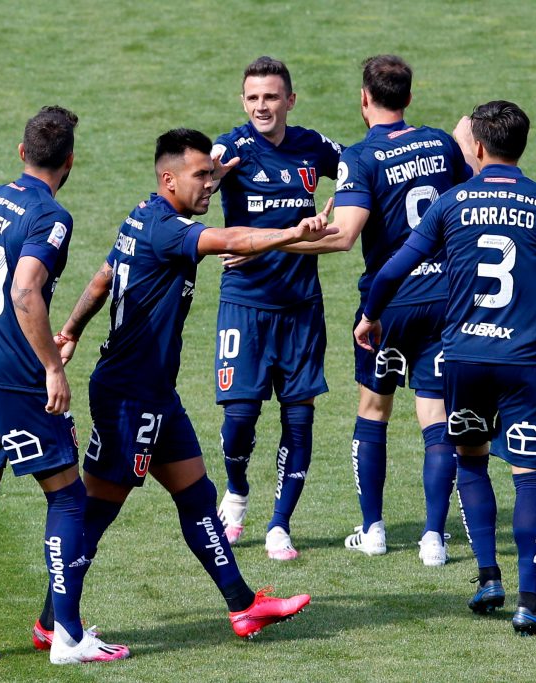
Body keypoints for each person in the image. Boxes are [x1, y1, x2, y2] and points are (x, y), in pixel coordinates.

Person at [32, 128, 335, 645]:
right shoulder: (170, 230)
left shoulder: (141, 213)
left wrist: (72, 329)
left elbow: (104, 277)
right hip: (130, 395)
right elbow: (234, 240)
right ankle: (55, 626)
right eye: (201, 176)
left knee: (197, 496)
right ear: (169, 179)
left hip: (156, 395)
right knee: (97, 513)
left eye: (211, 174)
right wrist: (293, 234)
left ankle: (243, 608)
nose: (210, 185)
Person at [355, 100, 536, 634]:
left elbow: (396, 265)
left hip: (463, 360)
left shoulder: (452, 203)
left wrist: (371, 315)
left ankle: (488, 576)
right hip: (525, 365)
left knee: (471, 460)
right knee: (530, 480)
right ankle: (530, 603)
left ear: (479, 148)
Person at [0, 106, 130, 667]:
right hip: (17, 381)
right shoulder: (51, 216)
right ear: (70, 161)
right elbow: (24, 292)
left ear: (22, 153)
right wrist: (53, 367)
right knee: (65, 494)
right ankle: (66, 636)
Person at [277, 55, 474, 565]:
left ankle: (375, 530)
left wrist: (274, 243)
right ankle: (434, 538)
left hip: (390, 306)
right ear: (408, 97)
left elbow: (343, 237)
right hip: (444, 300)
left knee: (373, 411)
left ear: (364, 99)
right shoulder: (440, 144)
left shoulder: (361, 157)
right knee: (435, 416)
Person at [210, 56, 343, 561]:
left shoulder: (313, 146)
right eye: (252, 98)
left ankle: (280, 524)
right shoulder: (233, 148)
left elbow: (360, 170)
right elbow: (197, 185)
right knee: (240, 417)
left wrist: (345, 211)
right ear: (244, 102)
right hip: (244, 304)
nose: (262, 106)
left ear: (290, 99)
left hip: (301, 307)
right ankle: (237, 493)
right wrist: (211, 181)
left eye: (271, 97)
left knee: (299, 418)